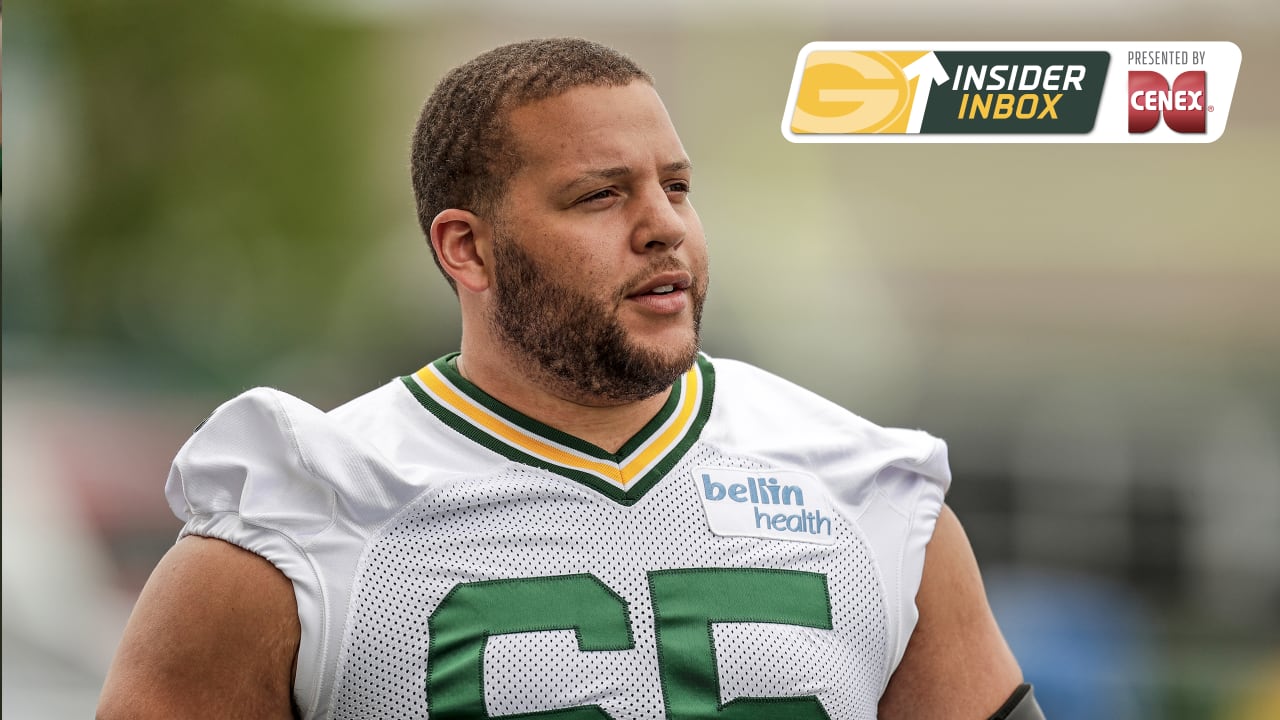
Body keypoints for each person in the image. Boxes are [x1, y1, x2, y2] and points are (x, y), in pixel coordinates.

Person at [97, 38, 1042, 719]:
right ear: (466, 248)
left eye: (675, 186)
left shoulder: (866, 486)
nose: (663, 224)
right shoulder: (299, 517)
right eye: (601, 194)